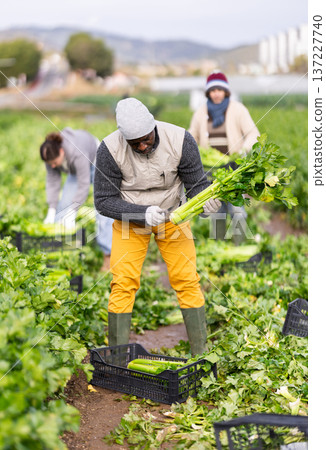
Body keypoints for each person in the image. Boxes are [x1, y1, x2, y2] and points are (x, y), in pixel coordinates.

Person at [94, 98, 221, 356]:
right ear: (123, 137)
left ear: (153, 126)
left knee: (187, 280)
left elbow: (195, 183)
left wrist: (206, 201)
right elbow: (103, 201)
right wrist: (142, 213)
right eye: (134, 143)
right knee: (123, 282)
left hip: (173, 216)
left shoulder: (181, 139)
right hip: (130, 218)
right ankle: (117, 359)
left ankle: (201, 353)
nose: (142, 145)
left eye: (146, 139)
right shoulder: (109, 149)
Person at [189, 71, 260, 244]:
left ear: (226, 91)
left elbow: (253, 134)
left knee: (237, 209)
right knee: (216, 211)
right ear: (208, 93)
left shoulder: (237, 109)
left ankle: (239, 245)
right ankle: (219, 246)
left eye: (220, 90)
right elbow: (191, 137)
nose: (216, 93)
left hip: (233, 168)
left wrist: (243, 150)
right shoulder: (201, 112)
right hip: (211, 171)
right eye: (213, 90)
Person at [40, 127, 114, 272]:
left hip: (97, 161)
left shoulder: (76, 151)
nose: (53, 166)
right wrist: (51, 209)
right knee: (62, 208)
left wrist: (73, 211)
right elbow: (53, 182)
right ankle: (62, 254)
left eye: (55, 163)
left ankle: (108, 256)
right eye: (50, 164)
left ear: (62, 152)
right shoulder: (50, 156)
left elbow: (84, 184)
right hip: (74, 169)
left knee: (102, 208)